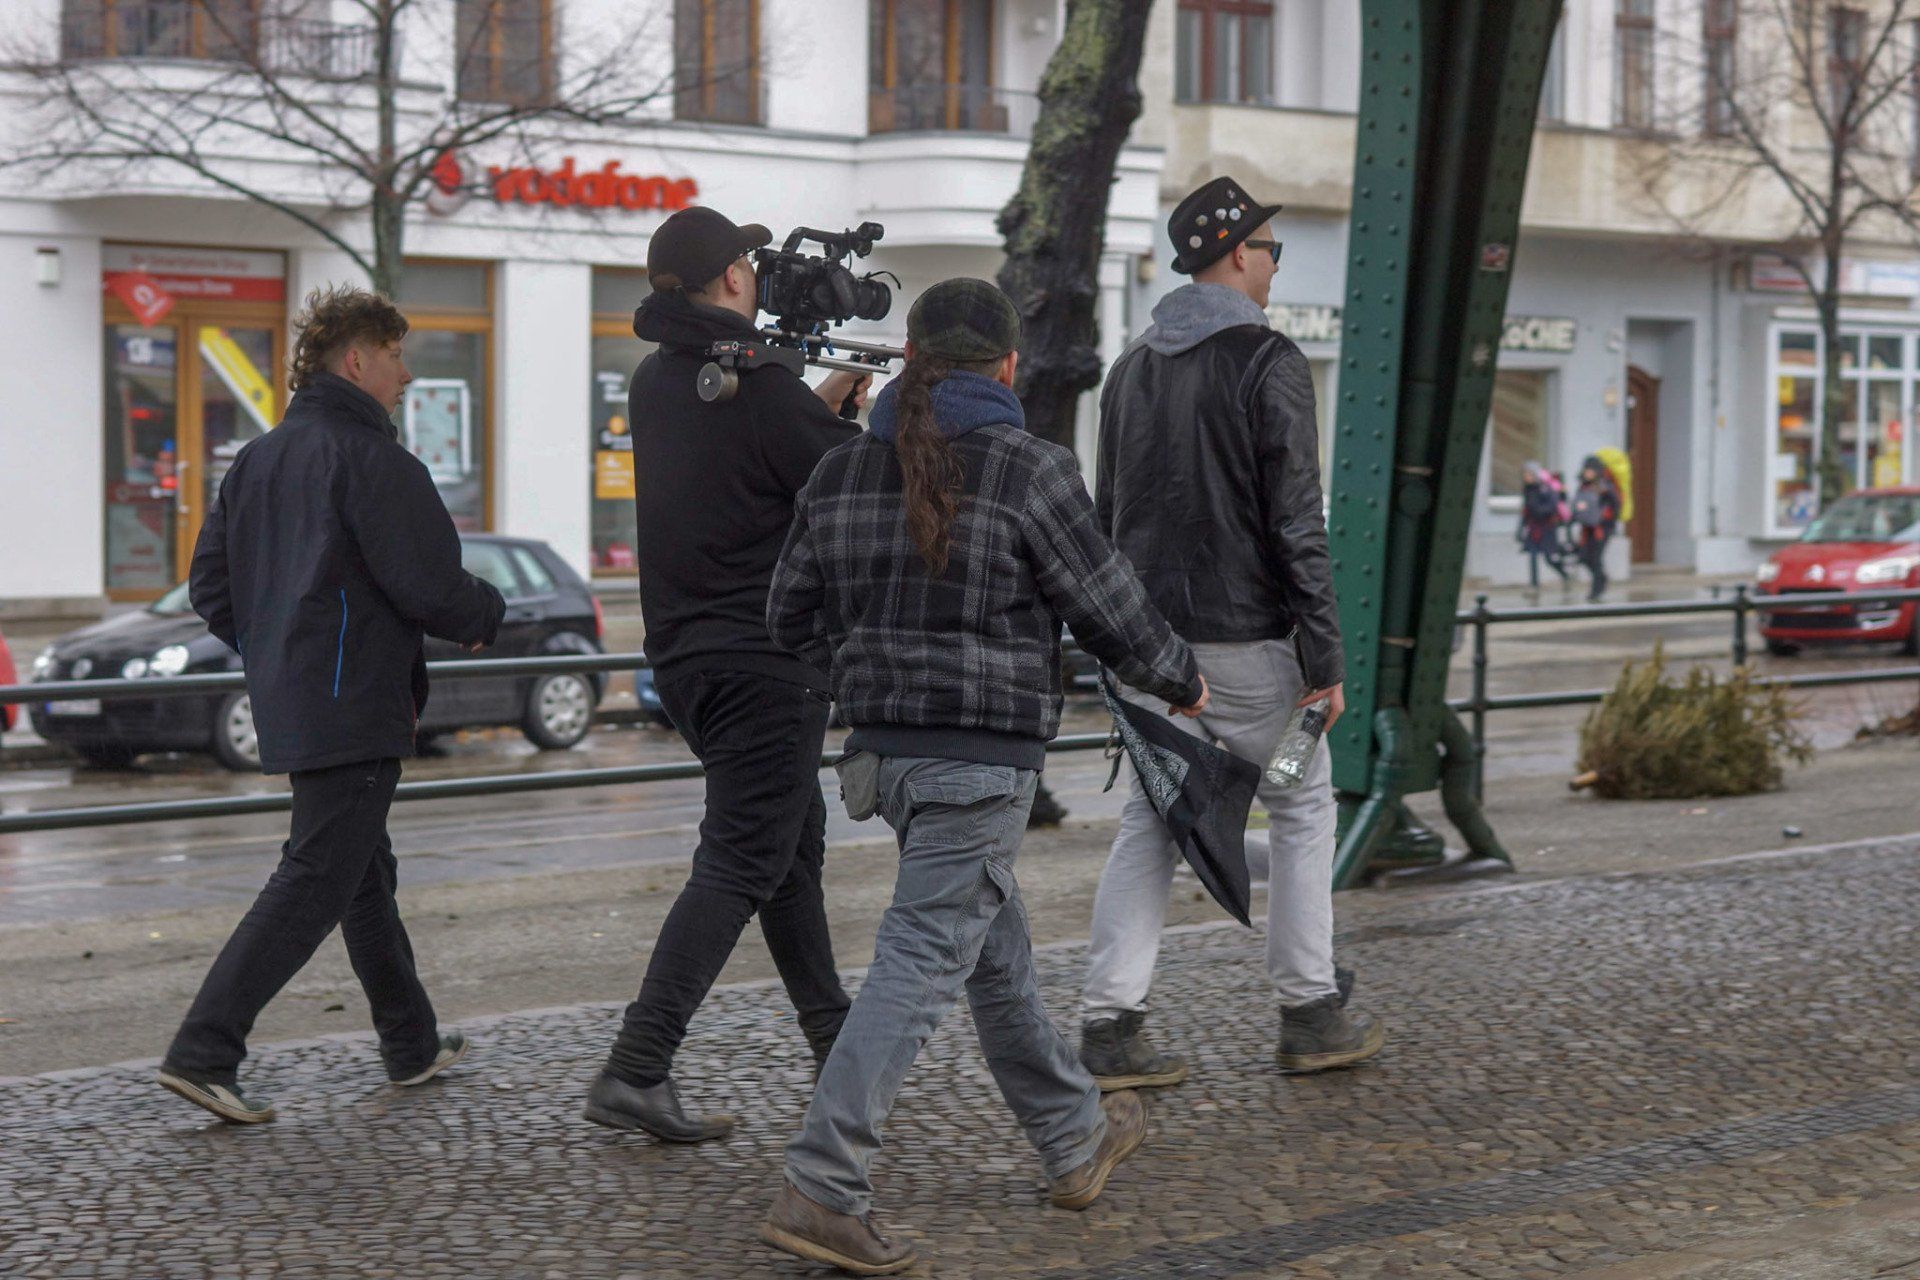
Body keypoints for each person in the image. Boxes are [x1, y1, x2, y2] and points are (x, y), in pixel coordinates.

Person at [760, 279, 1208, 1275]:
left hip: (887, 762)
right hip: (980, 762)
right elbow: (1106, 602)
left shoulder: (840, 469)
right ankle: (823, 1183)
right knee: (921, 963)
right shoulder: (1029, 467)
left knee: (991, 951)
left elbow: (786, 616)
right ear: (1008, 366)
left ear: (909, 357)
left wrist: (867, 673)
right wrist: (1181, 676)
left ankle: (1074, 1134)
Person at [157, 285, 506, 1123]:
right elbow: (428, 582)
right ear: (357, 359)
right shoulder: (374, 460)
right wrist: (485, 614)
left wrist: (279, 652)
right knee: (318, 876)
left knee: (360, 873)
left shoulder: (258, 458)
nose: (406, 375)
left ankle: (410, 1042)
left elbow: (209, 587)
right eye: (396, 356)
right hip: (355, 700)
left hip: (302, 697)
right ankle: (204, 1050)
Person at [1078, 175, 1385, 1090]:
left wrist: (1125, 647)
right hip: (1255, 662)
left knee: (1153, 817)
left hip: (1154, 660)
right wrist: (1324, 659)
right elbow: (1296, 521)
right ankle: (1309, 1010)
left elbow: (1106, 516)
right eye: (1270, 250)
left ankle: (1110, 1025)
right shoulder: (1267, 359)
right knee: (1299, 801)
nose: (1274, 266)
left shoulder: (1128, 370)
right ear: (1239, 254)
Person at [582, 206, 871, 1142]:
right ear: (738, 278)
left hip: (688, 661)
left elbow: (748, 457)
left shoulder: (660, 382)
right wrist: (849, 409)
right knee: (746, 858)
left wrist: (808, 401)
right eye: (750, 263)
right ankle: (637, 1065)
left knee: (790, 855)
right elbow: (849, 482)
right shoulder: (762, 386)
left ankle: (836, 1045)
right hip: (765, 662)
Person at [1571, 455, 1622, 602]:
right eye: (1586, 470)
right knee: (1584, 557)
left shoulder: (1605, 487)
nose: (1588, 473)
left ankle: (1596, 590)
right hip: (1587, 528)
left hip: (1602, 529)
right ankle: (1601, 578)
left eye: (1591, 470)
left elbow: (1615, 506)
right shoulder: (1583, 486)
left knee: (1596, 557)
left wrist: (1604, 518)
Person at [1518, 461, 1571, 591]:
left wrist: (1540, 511)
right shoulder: (1527, 490)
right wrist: (1521, 528)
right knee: (1533, 555)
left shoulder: (1545, 489)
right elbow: (1526, 510)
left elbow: (1552, 506)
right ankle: (1534, 584)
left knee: (1549, 557)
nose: (1526, 477)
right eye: (1525, 474)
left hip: (1547, 527)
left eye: (1529, 474)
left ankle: (1565, 575)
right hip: (1533, 527)